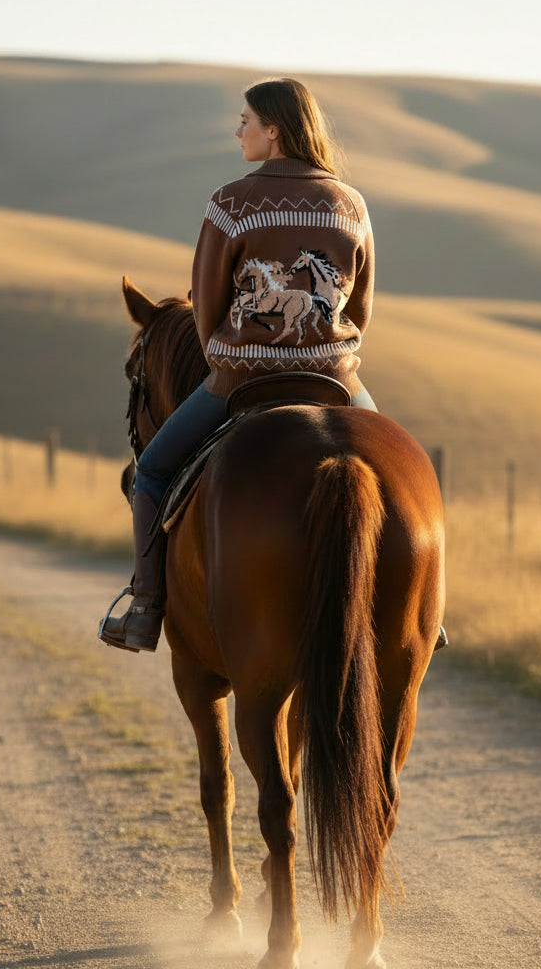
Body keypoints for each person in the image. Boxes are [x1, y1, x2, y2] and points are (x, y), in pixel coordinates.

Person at [100, 77, 378, 654]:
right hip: (337, 383)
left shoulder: (231, 203)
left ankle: (147, 606)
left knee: (151, 473)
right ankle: (423, 611)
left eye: (246, 120)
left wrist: (230, 357)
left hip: (240, 382)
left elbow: (205, 308)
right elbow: (362, 308)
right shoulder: (351, 205)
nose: (238, 130)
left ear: (273, 129)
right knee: (400, 467)